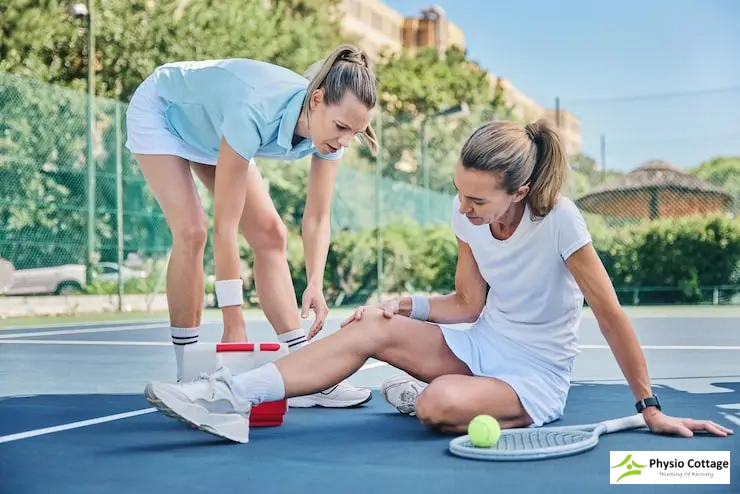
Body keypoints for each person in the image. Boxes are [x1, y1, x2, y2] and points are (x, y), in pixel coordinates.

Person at [142, 118, 735, 443]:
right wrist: (405, 305)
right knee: (374, 323)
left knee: (437, 404)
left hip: (534, 374)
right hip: (480, 342)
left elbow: (609, 315)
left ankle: (426, 398)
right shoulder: (467, 216)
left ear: (521, 192)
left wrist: (650, 406)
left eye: (477, 199)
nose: (464, 207)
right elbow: (466, 302)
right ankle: (230, 398)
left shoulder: (560, 221)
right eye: (459, 192)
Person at [125, 44, 377, 408]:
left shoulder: (333, 133)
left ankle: (305, 371)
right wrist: (233, 321)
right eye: (341, 127)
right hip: (165, 111)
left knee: (271, 234)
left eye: (355, 132)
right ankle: (189, 374)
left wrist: (317, 284)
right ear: (317, 99)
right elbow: (226, 225)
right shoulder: (255, 108)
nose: (343, 140)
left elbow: (318, 217)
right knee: (193, 230)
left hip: (216, 128)